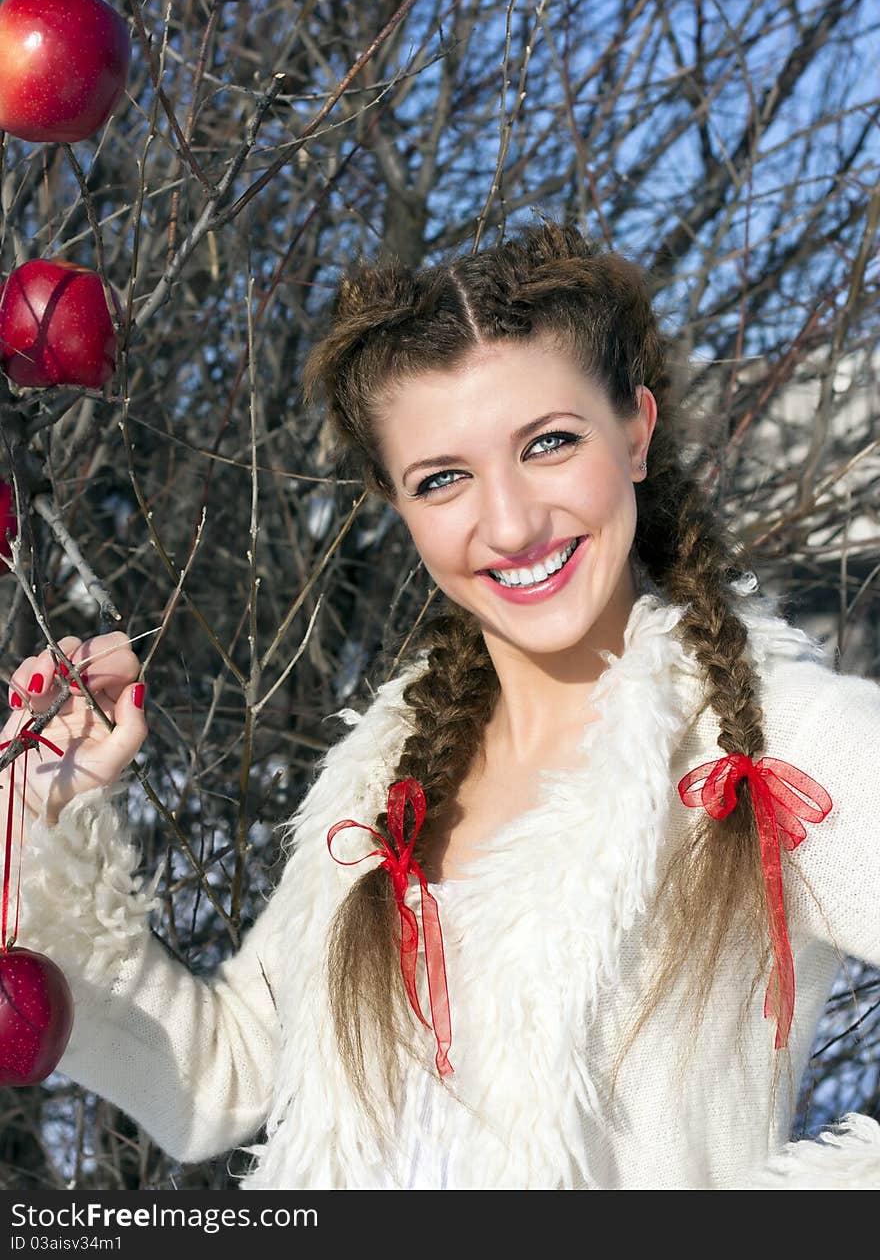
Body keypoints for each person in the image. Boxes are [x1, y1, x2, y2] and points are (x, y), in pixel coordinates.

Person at [3, 220, 879, 1190]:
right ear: (397, 500)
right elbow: (214, 1075)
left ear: (634, 431)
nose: (508, 522)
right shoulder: (380, 782)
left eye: (548, 443)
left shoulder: (776, 738)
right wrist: (59, 813)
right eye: (444, 478)